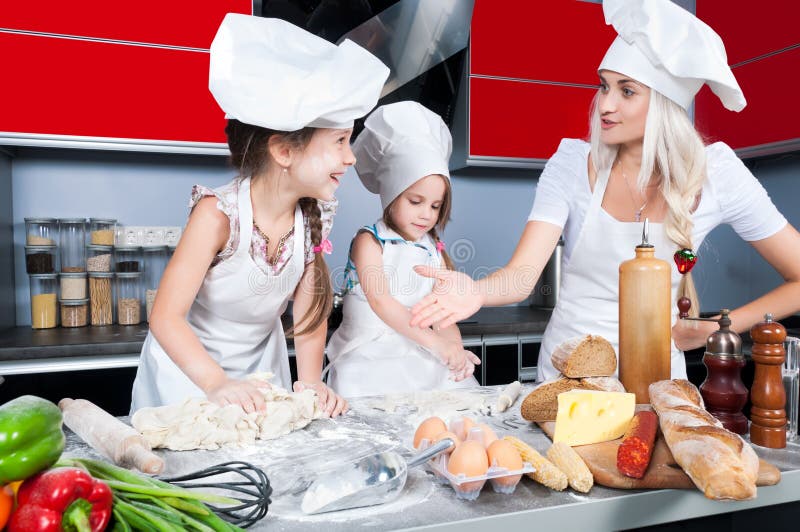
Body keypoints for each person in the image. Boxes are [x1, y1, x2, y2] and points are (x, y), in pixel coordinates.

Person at [409, 0, 800, 382]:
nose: (605, 105)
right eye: (604, 86)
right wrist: (476, 292)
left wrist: (720, 325)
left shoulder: (717, 172)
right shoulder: (571, 164)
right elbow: (522, 276)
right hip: (568, 380)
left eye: (627, 91)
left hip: (656, 383)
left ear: (664, 104)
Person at [130, 14, 389, 414]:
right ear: (284, 151)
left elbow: (310, 309)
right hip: (189, 379)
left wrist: (309, 382)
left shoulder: (314, 216)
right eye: (339, 141)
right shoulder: (218, 216)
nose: (351, 157)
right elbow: (165, 317)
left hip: (261, 376)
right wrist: (216, 383)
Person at [325, 102, 481, 397]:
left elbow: (443, 311)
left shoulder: (433, 250)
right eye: (415, 201)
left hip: (419, 351)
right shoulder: (369, 242)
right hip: (367, 356)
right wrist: (435, 343)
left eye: (435, 206)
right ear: (391, 196)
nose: (426, 214)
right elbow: (381, 302)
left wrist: (454, 348)